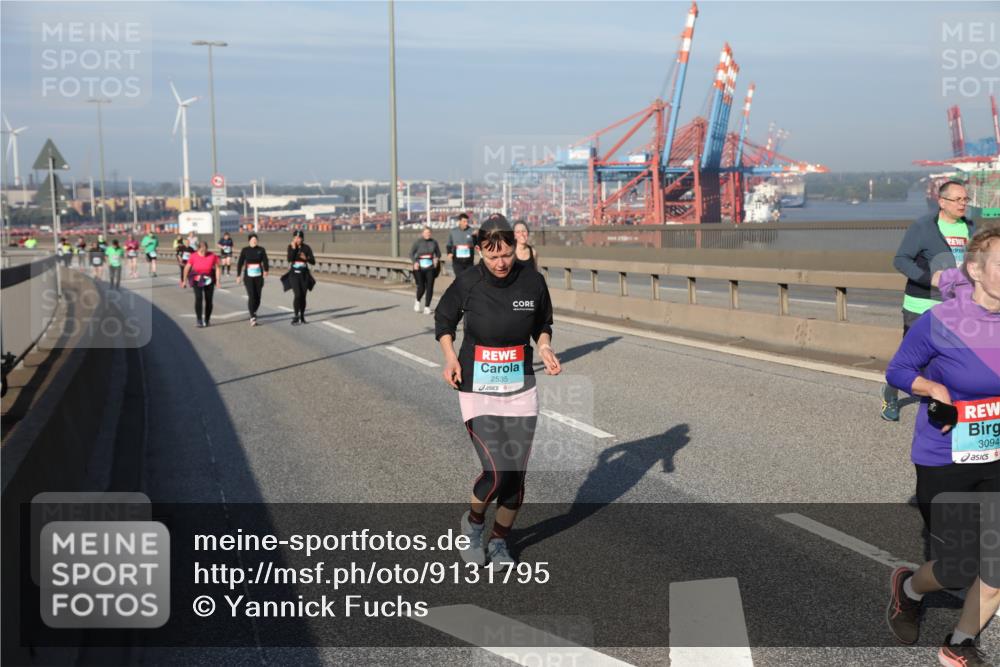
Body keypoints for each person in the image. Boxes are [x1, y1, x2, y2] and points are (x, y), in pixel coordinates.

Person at [884, 226, 1000, 667]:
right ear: (975, 269)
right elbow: (898, 370)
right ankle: (909, 589)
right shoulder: (942, 322)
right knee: (956, 568)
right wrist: (931, 386)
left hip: (997, 458)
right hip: (945, 456)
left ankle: (960, 643)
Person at [434, 214, 562, 568]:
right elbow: (444, 321)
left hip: (520, 388)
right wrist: (449, 358)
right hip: (478, 386)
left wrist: (545, 347)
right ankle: (473, 525)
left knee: (515, 480)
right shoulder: (468, 282)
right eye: (492, 257)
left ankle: (500, 541)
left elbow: (543, 323)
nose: (501, 263)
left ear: (513, 248)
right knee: (497, 472)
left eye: (505, 254)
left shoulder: (532, 281)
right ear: (480, 252)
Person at [882, 180, 975, 421]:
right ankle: (891, 392)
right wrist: (929, 277)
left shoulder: (971, 228)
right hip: (921, 305)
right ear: (942, 202)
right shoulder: (923, 227)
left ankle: (942, 411)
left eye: (965, 199)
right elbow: (901, 260)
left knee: (953, 359)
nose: (963, 204)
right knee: (912, 362)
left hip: (956, 307)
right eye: (957, 199)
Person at [181, 241, 221, 328]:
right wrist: (184, 280)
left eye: (205, 250)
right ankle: (199, 320)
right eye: (201, 251)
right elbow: (187, 268)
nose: (203, 253)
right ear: (198, 249)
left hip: (209, 279)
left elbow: (218, 268)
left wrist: (218, 281)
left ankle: (207, 320)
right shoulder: (193, 256)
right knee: (199, 298)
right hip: (197, 279)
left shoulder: (213, 256)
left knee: (209, 300)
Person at [236, 233, 270, 326]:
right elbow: (240, 263)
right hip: (249, 276)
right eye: (252, 240)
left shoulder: (261, 249)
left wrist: (266, 270)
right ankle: (252, 316)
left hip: (259, 276)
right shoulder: (245, 250)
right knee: (252, 295)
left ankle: (253, 311)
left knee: (258, 297)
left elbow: (265, 260)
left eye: (256, 240)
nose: (254, 241)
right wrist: (238, 275)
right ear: (249, 241)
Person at [286, 230, 316, 325]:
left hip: (304, 274)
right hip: (294, 274)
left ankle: (302, 316)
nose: (297, 239)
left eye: (299, 238)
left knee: (303, 296)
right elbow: (290, 259)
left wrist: (306, 258)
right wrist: (294, 248)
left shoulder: (307, 248)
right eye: (295, 238)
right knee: (297, 295)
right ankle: (296, 315)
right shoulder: (290, 247)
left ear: (302, 238)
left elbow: (313, 261)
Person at [410, 226, 441, 314]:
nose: (427, 234)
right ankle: (417, 300)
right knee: (421, 287)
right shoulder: (417, 242)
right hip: (419, 267)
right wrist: (415, 262)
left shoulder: (434, 242)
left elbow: (438, 253)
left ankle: (427, 307)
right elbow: (411, 253)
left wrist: (436, 259)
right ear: (422, 233)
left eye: (429, 233)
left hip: (430, 267)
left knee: (430, 286)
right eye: (426, 232)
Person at [447, 213, 476, 277]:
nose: (466, 223)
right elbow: (449, 244)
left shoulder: (472, 231)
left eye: (467, 221)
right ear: (459, 221)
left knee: (469, 280)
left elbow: (476, 244)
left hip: (469, 262)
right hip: (457, 262)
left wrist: (475, 237)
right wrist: (449, 253)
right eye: (464, 221)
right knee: (460, 279)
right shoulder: (453, 231)